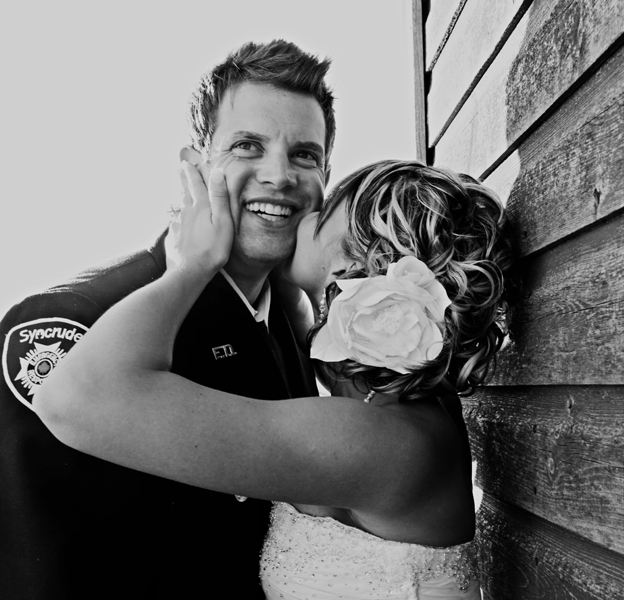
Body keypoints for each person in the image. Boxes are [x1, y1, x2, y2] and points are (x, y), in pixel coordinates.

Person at [35, 159, 513, 599]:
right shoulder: (409, 402)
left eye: (322, 215)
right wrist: (290, 281)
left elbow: (78, 399)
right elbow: (325, 354)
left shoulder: (374, 444)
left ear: (353, 265)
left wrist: (190, 266)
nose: (304, 212)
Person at [0, 40, 333, 598]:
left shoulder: (292, 320)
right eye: (248, 145)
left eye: (305, 155)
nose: (279, 176)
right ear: (196, 166)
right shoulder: (71, 318)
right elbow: (43, 565)